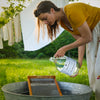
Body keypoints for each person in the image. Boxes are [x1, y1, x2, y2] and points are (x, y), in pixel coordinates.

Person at [34, 1, 100, 100]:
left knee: (98, 70)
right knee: (94, 74)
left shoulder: (72, 11)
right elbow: (81, 40)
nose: (45, 22)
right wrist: (79, 63)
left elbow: (87, 37)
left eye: (45, 18)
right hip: (93, 35)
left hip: (97, 29)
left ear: (52, 10)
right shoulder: (63, 23)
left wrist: (64, 48)